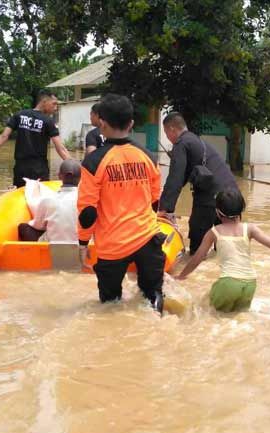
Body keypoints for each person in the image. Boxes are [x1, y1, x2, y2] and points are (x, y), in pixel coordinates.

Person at [77, 94, 164, 313]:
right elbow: (155, 202)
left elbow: (88, 211)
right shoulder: (149, 156)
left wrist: (82, 243)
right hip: (147, 239)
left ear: (102, 123)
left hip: (112, 246)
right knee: (153, 297)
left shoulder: (94, 162)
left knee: (110, 305)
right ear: (131, 124)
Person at [176, 189, 270, 312]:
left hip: (228, 283)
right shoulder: (250, 228)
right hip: (250, 284)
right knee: (237, 317)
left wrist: (181, 276)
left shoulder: (214, 232)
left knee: (205, 309)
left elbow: (197, 258)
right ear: (241, 210)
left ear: (217, 212)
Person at [158, 112, 239, 254]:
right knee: (227, 249)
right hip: (233, 197)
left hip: (210, 198)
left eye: (166, 133)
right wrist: (165, 204)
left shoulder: (181, 144)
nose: (167, 138)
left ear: (172, 129)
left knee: (197, 249)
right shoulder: (196, 141)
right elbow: (182, 178)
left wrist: (164, 209)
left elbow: (175, 179)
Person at [0, 90, 72, 187]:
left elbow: (3, 136)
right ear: (44, 102)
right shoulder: (48, 121)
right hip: (39, 170)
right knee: (38, 199)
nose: (55, 108)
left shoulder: (19, 115)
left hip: (20, 170)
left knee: (19, 195)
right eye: (54, 104)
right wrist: (74, 168)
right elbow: (61, 149)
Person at [18, 159, 82, 242]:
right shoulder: (86, 200)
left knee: (23, 227)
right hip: (81, 245)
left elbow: (38, 226)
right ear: (81, 178)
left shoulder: (48, 200)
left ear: (59, 176)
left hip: (52, 246)